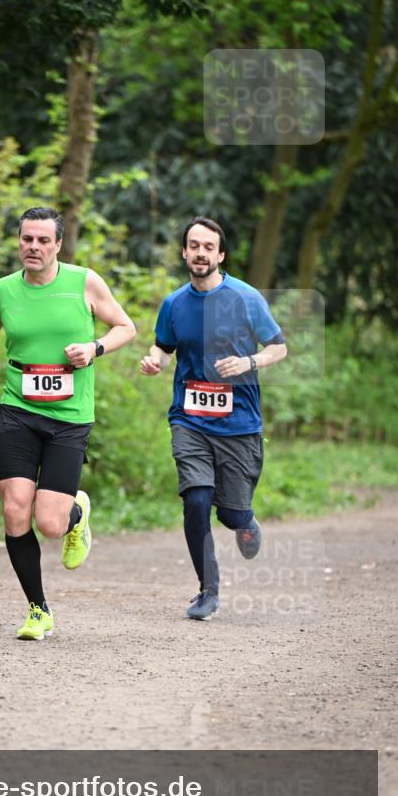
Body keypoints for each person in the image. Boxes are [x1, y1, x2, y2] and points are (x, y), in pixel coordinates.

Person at [0, 206, 136, 640]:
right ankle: (38, 609)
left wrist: (95, 348)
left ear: (58, 244)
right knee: (14, 509)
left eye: (43, 240)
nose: (34, 247)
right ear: (18, 241)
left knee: (51, 525)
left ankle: (76, 513)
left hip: (69, 418)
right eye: (27, 239)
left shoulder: (84, 283)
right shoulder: (3, 290)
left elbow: (125, 327)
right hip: (17, 411)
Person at [140, 217, 287, 620]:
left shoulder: (246, 298)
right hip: (189, 419)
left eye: (208, 247)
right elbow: (163, 348)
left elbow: (278, 348)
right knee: (196, 498)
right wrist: (154, 362)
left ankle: (245, 520)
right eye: (194, 246)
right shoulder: (174, 304)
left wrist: (248, 361)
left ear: (220, 255)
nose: (200, 253)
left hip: (239, 423)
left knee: (230, 513)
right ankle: (208, 589)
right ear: (184, 252)